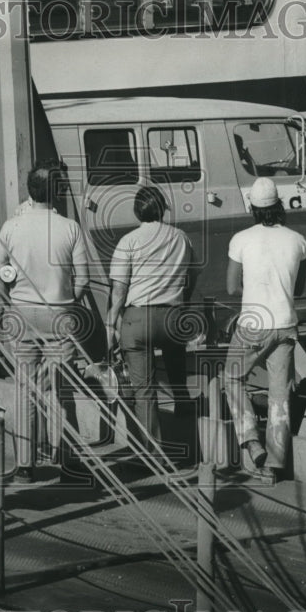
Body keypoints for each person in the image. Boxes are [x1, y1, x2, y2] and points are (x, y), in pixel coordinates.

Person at [0, 159, 89, 483]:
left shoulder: (11, 227)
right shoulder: (70, 228)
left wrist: (10, 302)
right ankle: (67, 463)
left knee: (25, 389)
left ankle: (25, 464)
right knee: (60, 389)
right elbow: (83, 281)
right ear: (57, 193)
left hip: (21, 313)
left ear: (30, 192)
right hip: (59, 315)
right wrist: (64, 298)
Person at [220, 178, 306, 482]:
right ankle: (273, 465)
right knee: (279, 396)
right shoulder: (297, 240)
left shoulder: (241, 238)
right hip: (286, 326)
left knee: (232, 377)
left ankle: (250, 439)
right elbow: (297, 286)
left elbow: (232, 287)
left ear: (253, 208)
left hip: (253, 325)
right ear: (278, 206)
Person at [107, 186, 197, 454]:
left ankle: (154, 453)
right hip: (173, 317)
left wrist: (111, 322)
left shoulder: (129, 241)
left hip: (139, 319)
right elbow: (190, 279)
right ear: (163, 209)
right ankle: (183, 404)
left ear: (138, 211)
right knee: (175, 356)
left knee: (144, 390)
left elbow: (119, 290)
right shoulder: (182, 238)